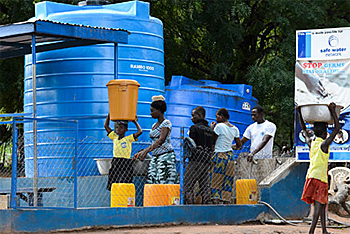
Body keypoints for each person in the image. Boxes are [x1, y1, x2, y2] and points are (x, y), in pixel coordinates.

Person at [297, 102, 340, 234]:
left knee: (321, 205)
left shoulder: (311, 142)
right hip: (320, 178)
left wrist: (299, 113)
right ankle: (311, 232)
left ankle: (324, 231)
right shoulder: (324, 144)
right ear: (325, 133)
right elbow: (337, 128)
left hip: (310, 176)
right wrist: (333, 111)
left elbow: (303, 129)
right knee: (317, 207)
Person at [133, 95, 178, 184]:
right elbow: (154, 142)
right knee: (151, 179)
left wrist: (146, 151)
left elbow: (161, 140)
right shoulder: (154, 125)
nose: (151, 113)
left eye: (152, 111)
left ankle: (164, 198)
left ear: (159, 110)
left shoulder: (166, 123)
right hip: (156, 156)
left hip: (165, 156)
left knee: (163, 180)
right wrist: (142, 152)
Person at [184, 106, 216, 204]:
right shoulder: (211, 131)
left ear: (200, 115)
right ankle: (206, 209)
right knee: (204, 187)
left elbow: (191, 145)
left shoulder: (194, 128)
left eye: (193, 115)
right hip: (207, 161)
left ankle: (189, 209)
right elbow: (212, 147)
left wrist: (185, 157)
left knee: (187, 185)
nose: (191, 118)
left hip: (195, 161)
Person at [209, 108, 241, 204]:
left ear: (222, 116)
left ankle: (216, 201)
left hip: (220, 155)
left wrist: (211, 128)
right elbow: (239, 145)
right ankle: (226, 201)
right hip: (230, 157)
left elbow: (212, 140)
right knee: (228, 179)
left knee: (216, 179)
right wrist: (229, 146)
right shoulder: (235, 129)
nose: (216, 118)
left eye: (217, 116)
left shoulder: (219, 126)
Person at [104, 113, 142, 190]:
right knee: (114, 181)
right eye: (117, 127)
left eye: (121, 127)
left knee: (125, 181)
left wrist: (135, 122)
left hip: (126, 162)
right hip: (116, 161)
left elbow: (140, 131)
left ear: (126, 129)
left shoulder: (128, 138)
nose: (118, 129)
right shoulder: (114, 137)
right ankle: (115, 194)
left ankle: (124, 194)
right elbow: (106, 126)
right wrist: (109, 115)